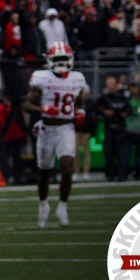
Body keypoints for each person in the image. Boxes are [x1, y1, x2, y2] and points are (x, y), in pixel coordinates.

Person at [24, 42, 89, 228]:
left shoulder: (77, 79)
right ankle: (43, 204)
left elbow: (81, 101)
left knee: (67, 167)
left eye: (63, 59)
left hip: (66, 128)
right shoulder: (42, 79)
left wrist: (81, 111)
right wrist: (43, 108)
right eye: (57, 59)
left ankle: (62, 206)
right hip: (47, 130)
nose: (61, 63)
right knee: (45, 171)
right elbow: (27, 106)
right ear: (49, 60)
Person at [98, 76, 130, 181]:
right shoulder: (104, 96)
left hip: (120, 127)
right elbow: (97, 108)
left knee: (121, 153)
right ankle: (111, 174)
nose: (110, 86)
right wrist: (104, 112)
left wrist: (124, 113)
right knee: (108, 151)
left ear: (115, 84)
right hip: (109, 127)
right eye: (108, 84)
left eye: (112, 84)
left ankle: (122, 175)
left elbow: (129, 108)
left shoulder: (123, 95)